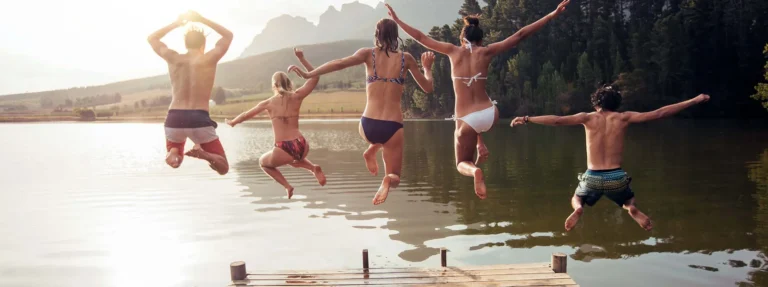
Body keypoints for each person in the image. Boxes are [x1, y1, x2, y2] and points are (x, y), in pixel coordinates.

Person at [386, 1, 570, 199]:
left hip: (468, 120)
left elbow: (421, 37)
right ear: (481, 40)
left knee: (461, 163)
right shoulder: (487, 52)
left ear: (462, 38)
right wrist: (552, 14)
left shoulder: (452, 51)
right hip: (491, 114)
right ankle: (479, 143)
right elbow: (520, 35)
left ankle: (475, 171)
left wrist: (397, 20)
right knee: (476, 117)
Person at [510, 85, 711, 231]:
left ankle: (579, 208)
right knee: (628, 198)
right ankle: (632, 208)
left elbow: (557, 120)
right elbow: (659, 113)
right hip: (616, 176)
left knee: (577, 196)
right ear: (616, 103)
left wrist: (527, 119)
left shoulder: (587, 118)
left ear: (596, 103)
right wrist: (694, 100)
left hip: (593, 176)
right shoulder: (624, 117)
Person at [288, 19, 435, 205]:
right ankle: (386, 176)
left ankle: (371, 149)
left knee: (374, 137)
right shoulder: (407, 59)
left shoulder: (368, 54)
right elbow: (428, 87)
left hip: (368, 125)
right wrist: (428, 68)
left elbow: (339, 63)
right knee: (395, 175)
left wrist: (309, 74)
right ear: (396, 35)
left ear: (377, 35)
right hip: (393, 126)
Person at [226, 48, 327, 199]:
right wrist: (302, 58)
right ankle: (313, 167)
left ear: (273, 85)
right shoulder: (297, 96)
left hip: (283, 147)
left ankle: (287, 186)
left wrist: (233, 122)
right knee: (292, 160)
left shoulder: (268, 103)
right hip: (301, 144)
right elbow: (315, 77)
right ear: (289, 83)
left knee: (263, 163)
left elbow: (247, 115)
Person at [147, 11, 233, 175]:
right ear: (203, 45)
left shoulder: (173, 58)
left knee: (176, 158)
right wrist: (202, 19)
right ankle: (204, 154)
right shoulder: (209, 58)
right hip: (198, 118)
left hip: (174, 118)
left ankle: (174, 154)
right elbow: (228, 35)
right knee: (223, 168)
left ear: (185, 44)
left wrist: (176, 24)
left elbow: (152, 38)